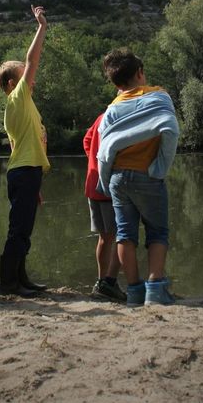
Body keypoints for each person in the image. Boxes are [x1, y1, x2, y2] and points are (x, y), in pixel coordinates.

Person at [97, 48, 179, 307]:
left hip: (118, 179)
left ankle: (134, 291)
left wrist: (106, 180)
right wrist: (160, 168)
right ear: (140, 73)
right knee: (158, 232)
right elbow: (170, 129)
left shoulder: (111, 109)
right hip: (148, 175)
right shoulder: (159, 96)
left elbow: (103, 150)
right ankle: (155, 289)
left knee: (125, 234)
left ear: (115, 82)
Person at [0, 5, 51, 297]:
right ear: (12, 83)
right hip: (24, 172)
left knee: (23, 230)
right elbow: (32, 59)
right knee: (19, 230)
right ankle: (8, 284)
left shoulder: (25, 106)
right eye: (24, 73)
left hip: (27, 172)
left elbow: (18, 145)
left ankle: (21, 279)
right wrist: (41, 27)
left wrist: (36, 182)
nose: (31, 75)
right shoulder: (17, 98)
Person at [83, 112, 125, 302]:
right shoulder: (120, 116)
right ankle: (109, 283)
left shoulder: (101, 116)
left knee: (104, 238)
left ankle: (101, 281)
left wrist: (93, 162)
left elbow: (86, 140)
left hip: (93, 184)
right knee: (122, 236)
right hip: (108, 186)